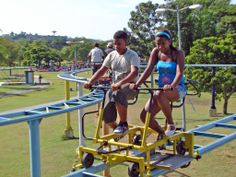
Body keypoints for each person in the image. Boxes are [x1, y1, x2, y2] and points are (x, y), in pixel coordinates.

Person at [130, 29, 186, 138]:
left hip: (177, 88)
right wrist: (137, 83)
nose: (160, 46)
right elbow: (148, 69)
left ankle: (171, 123)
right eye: (158, 44)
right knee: (145, 117)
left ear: (170, 41)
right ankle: (161, 134)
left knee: (159, 93)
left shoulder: (178, 53)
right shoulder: (156, 52)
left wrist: (172, 86)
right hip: (161, 90)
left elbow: (179, 73)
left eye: (163, 43)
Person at [84, 30, 140, 134]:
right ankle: (116, 129)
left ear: (126, 43)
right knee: (105, 113)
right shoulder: (112, 55)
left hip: (131, 86)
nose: (116, 46)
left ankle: (123, 123)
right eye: (115, 44)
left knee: (118, 92)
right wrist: (91, 81)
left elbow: (134, 73)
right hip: (115, 87)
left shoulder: (132, 55)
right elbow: (102, 70)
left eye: (119, 44)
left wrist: (120, 83)